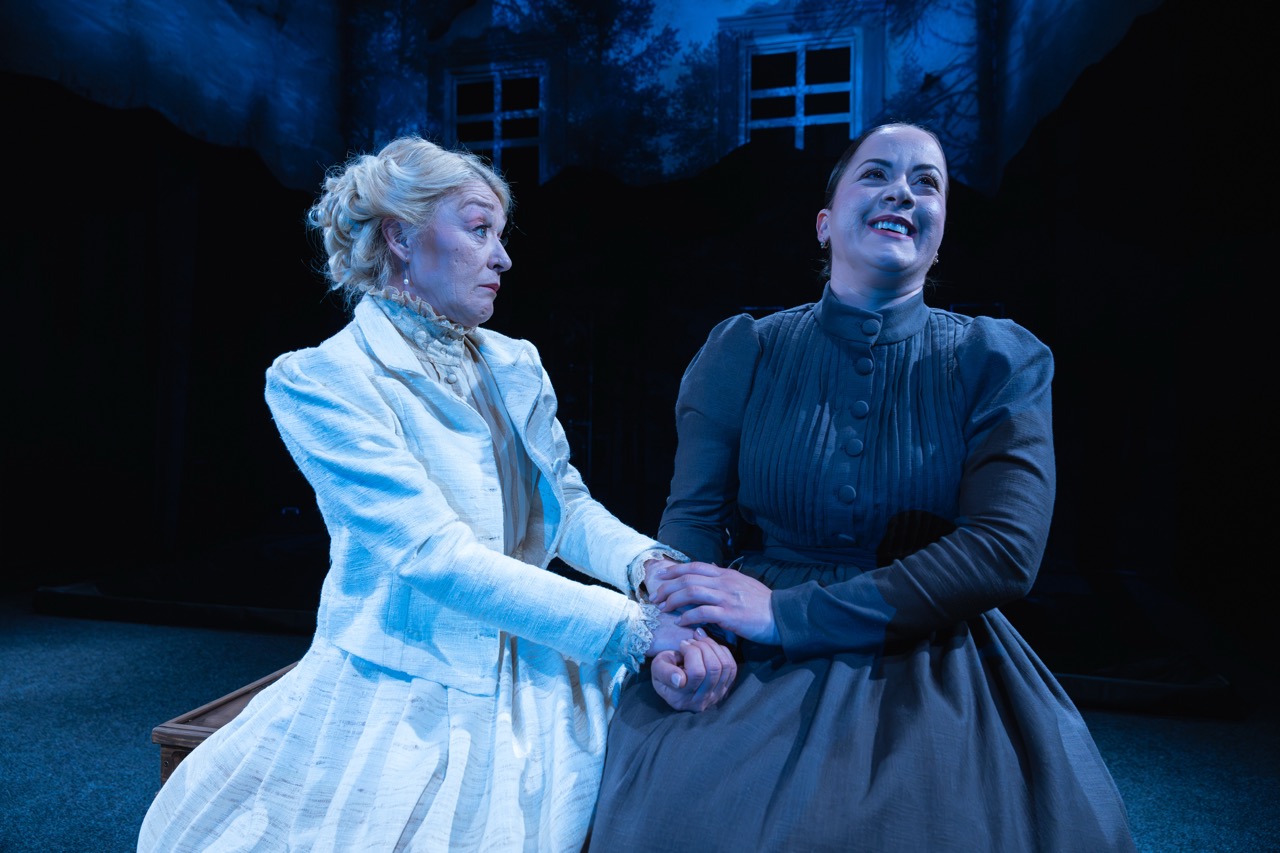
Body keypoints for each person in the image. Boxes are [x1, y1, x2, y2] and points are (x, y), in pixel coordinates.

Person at [136, 135, 735, 853]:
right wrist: (633, 628)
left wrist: (648, 567)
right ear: (400, 236)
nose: (503, 258)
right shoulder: (323, 379)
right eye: (479, 229)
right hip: (414, 671)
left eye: (500, 235)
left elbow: (566, 506)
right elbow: (431, 554)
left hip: (536, 640)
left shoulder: (515, 363)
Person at [587, 122, 1137, 851]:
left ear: (940, 234)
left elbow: (1004, 550)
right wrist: (684, 638)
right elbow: (693, 520)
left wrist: (786, 613)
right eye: (876, 174)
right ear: (824, 223)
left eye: (926, 183)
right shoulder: (744, 350)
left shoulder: (997, 359)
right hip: (749, 640)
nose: (902, 192)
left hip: (924, 641)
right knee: (678, 811)